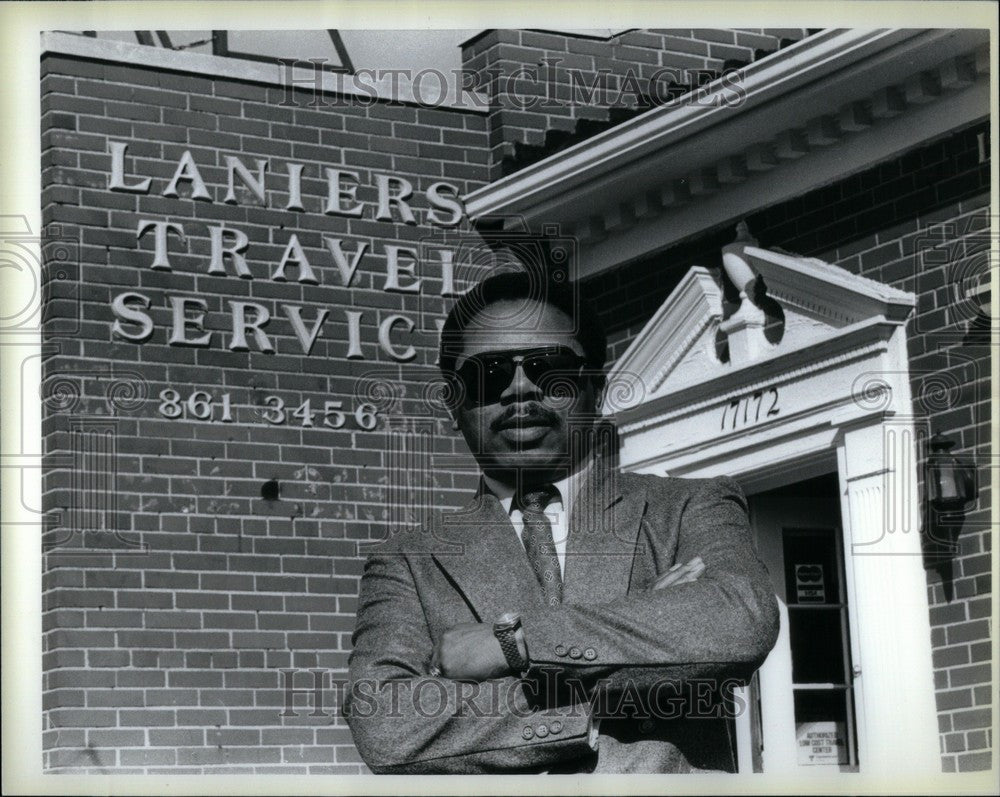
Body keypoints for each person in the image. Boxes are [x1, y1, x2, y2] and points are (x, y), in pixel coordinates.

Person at [344, 268, 779, 774]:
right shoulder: (409, 559)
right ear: (454, 403)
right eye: (490, 375)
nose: (522, 389)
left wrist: (511, 644)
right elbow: (384, 723)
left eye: (551, 369)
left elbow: (740, 621)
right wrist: (637, 649)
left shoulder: (687, 507)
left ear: (596, 384)